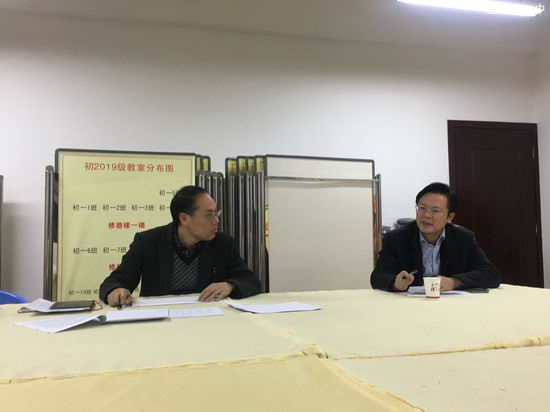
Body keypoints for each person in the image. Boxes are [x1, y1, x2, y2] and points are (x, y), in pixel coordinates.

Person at [99, 185, 261, 306]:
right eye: (209, 215)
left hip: (206, 318)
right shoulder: (148, 242)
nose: (216, 221)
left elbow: (251, 281)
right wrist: (116, 290)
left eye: (216, 214)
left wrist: (230, 285)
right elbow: (114, 281)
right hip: (159, 320)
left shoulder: (223, 244)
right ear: (184, 218)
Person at [370, 182, 501, 292]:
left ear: (450, 217)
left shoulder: (463, 238)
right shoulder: (397, 238)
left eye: (435, 211)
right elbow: (377, 276)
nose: (426, 215)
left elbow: (491, 274)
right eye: (422, 208)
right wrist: (395, 283)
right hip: (410, 305)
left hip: (450, 305)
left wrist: (454, 282)